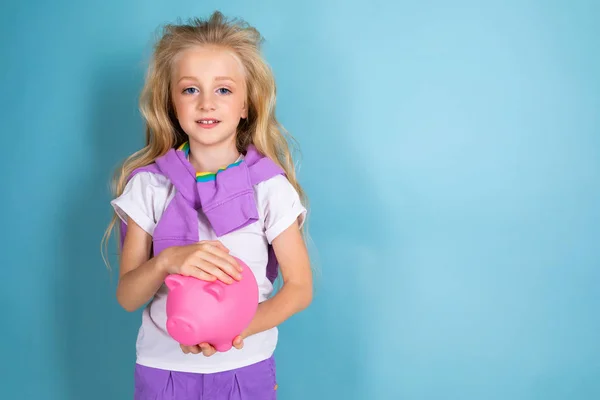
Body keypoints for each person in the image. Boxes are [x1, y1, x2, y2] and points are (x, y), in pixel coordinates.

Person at [102, 11, 313, 399]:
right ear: (172, 102)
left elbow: (299, 288)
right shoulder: (150, 186)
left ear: (247, 104)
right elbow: (128, 296)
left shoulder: (269, 187)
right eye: (190, 90)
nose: (206, 104)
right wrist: (169, 260)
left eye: (224, 90)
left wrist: (235, 330)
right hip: (163, 369)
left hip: (242, 367)